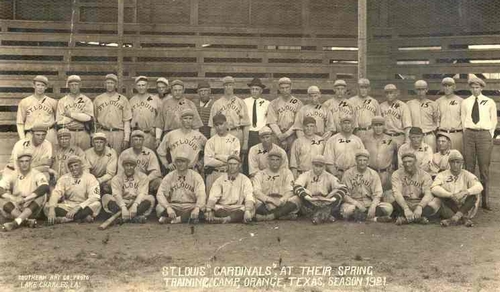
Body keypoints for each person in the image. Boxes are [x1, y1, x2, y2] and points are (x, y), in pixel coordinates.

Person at [461, 77, 497, 210]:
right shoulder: (465, 102)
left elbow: (493, 120)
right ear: (470, 88)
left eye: (477, 87)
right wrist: (467, 133)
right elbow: (463, 119)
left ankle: (485, 202)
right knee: (469, 167)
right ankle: (469, 201)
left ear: (481, 88)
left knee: (484, 168)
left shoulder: (489, 102)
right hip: (469, 134)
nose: (475, 90)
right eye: (473, 87)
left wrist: (489, 134)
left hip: (484, 134)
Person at [431, 150, 483, 227]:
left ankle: (454, 218)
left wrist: (465, 192)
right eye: (453, 162)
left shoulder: (466, 174)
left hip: (465, 204)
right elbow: (434, 188)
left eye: (458, 162)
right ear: (449, 163)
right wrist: (450, 195)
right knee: (440, 195)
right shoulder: (442, 174)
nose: (455, 165)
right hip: (450, 204)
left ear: (462, 163)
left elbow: (479, 186)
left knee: (474, 195)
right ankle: (463, 218)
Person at [0, 150, 49, 231]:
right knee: (1, 199)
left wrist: (26, 199)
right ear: (18, 163)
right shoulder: (13, 174)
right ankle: (26, 221)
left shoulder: (36, 173)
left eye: (27, 161)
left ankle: (15, 223)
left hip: (31, 206)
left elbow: (44, 187)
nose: (24, 164)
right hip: (16, 206)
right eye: (21, 161)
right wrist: (14, 198)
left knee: (42, 196)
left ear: (31, 162)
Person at [45, 156, 102, 224]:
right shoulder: (64, 178)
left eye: (76, 165)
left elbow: (95, 197)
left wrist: (78, 207)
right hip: (68, 205)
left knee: (97, 204)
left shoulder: (90, 177)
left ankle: (68, 219)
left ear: (81, 166)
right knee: (47, 206)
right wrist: (51, 209)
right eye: (71, 166)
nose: (73, 168)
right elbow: (56, 193)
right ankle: (81, 217)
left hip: (84, 205)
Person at [340, 149, 393, 222]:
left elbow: (378, 194)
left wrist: (373, 207)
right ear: (356, 161)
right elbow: (344, 194)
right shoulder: (348, 174)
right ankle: (374, 219)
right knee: (347, 211)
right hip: (353, 203)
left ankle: (361, 217)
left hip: (369, 202)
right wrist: (357, 204)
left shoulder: (373, 174)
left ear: (368, 162)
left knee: (388, 208)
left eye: (364, 160)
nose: (362, 163)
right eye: (360, 160)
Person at [293, 155, 347, 224]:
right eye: (316, 166)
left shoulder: (329, 176)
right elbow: (296, 186)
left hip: (325, 201)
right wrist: (307, 196)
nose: (318, 169)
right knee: (297, 197)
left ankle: (317, 216)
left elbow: (343, 188)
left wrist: (333, 198)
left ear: (324, 167)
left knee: (339, 197)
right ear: (312, 165)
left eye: (320, 166)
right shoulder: (306, 174)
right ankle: (325, 216)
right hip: (310, 201)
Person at [101, 155, 155, 224]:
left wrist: (135, 205)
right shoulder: (117, 178)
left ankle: (121, 218)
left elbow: (142, 194)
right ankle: (134, 218)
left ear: (135, 166)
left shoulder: (142, 177)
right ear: (123, 166)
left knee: (150, 198)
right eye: (127, 165)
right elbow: (116, 195)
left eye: (131, 165)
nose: (129, 168)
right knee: (106, 197)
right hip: (122, 202)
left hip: (136, 202)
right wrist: (123, 207)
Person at [391, 152, 441, 225]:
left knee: (437, 201)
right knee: (389, 196)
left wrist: (420, 207)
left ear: (415, 162)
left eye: (410, 161)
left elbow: (428, 194)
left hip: (419, 202)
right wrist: (405, 208)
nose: (407, 164)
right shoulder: (396, 174)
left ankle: (405, 219)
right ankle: (419, 218)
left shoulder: (425, 175)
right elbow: (397, 193)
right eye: (405, 162)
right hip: (404, 202)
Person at [156, 155, 206, 224]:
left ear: (188, 163)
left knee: (203, 208)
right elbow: (160, 194)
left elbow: (201, 194)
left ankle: (175, 219)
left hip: (190, 206)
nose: (180, 164)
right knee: (159, 208)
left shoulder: (196, 176)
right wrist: (168, 208)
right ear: (175, 163)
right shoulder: (169, 176)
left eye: (183, 161)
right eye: (178, 161)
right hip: (174, 205)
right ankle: (187, 218)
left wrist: (197, 207)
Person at [253, 149, 300, 221]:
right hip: (266, 202)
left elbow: (290, 191)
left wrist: (281, 201)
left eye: (277, 160)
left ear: (281, 161)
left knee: (297, 198)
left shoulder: (287, 173)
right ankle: (281, 216)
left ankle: (271, 216)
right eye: (272, 160)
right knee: (254, 200)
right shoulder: (260, 174)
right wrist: (270, 200)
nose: (275, 162)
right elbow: (256, 191)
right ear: (268, 161)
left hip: (282, 202)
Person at [206, 155, 254, 224]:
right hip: (223, 207)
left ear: (239, 165)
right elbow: (213, 196)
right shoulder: (220, 180)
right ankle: (233, 219)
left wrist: (247, 210)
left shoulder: (245, 179)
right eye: (230, 164)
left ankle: (224, 219)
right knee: (213, 207)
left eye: (235, 164)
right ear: (227, 165)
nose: (232, 166)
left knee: (250, 209)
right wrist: (209, 210)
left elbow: (249, 196)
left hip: (237, 207)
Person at [208, 76, 250, 154]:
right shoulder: (217, 104)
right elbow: (213, 126)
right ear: (223, 87)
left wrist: (245, 142)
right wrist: (212, 141)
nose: (228, 87)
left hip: (236, 132)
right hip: (221, 134)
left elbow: (246, 124)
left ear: (233, 86)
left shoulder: (240, 102)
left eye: (230, 85)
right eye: (226, 85)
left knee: (236, 160)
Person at [157, 108, 207, 173]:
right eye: (185, 118)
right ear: (181, 120)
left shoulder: (199, 136)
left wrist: (201, 162)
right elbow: (160, 151)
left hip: (192, 170)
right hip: (175, 170)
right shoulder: (171, 135)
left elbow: (209, 151)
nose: (188, 121)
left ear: (193, 120)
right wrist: (166, 164)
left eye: (190, 118)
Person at [155, 80, 203, 147]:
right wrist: (157, 138)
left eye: (180, 90)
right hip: (169, 136)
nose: (177, 92)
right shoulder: (165, 104)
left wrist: (196, 139)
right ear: (171, 91)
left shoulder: (190, 104)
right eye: (175, 90)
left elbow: (196, 125)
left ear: (183, 90)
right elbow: (159, 124)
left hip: (186, 136)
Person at [93, 73, 132, 154]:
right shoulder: (98, 99)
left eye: (112, 83)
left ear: (116, 84)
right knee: (102, 157)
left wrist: (126, 138)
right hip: (103, 132)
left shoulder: (123, 99)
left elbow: (126, 121)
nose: (110, 85)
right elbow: (94, 120)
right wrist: (94, 135)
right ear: (105, 84)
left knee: (117, 157)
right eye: (108, 83)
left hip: (118, 133)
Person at [16, 75, 58, 146]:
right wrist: (22, 139)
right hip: (31, 133)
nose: (40, 87)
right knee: (31, 156)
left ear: (46, 87)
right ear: (34, 86)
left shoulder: (53, 102)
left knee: (50, 156)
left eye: (42, 85)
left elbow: (59, 120)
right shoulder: (24, 102)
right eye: (38, 85)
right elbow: (20, 122)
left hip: (48, 133)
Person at [204, 113, 240, 193]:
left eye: (221, 124)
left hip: (228, 174)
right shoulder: (210, 141)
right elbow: (208, 161)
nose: (219, 127)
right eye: (216, 125)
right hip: (213, 174)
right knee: (211, 202)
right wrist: (225, 162)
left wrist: (217, 156)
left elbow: (234, 159)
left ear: (226, 124)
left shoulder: (234, 140)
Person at [56, 75, 94, 150]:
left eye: (76, 84)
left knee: (84, 155)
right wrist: (80, 117)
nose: (74, 87)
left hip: (83, 132)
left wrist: (70, 115)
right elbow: (59, 121)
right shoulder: (62, 101)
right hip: (68, 133)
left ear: (80, 85)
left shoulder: (86, 100)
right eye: (71, 85)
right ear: (68, 86)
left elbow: (88, 118)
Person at [118, 130, 162, 194]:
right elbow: (120, 173)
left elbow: (156, 172)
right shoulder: (125, 154)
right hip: (128, 183)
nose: (138, 142)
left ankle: (153, 199)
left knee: (159, 182)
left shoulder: (149, 153)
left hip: (145, 182)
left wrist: (145, 179)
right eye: (135, 139)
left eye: (140, 140)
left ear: (143, 141)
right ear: (131, 141)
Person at [266, 77, 303, 152]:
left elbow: (298, 122)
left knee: (291, 157)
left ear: (291, 87)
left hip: (292, 134)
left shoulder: (297, 103)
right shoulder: (274, 103)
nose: (285, 90)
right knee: (276, 157)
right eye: (282, 88)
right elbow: (272, 122)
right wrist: (280, 135)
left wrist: (286, 135)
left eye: (287, 87)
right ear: (279, 89)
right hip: (277, 135)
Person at [363, 116, 397, 192]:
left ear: (384, 126)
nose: (378, 128)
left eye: (380, 125)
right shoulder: (366, 140)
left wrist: (391, 171)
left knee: (386, 198)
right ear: (372, 126)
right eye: (376, 125)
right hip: (370, 173)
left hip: (386, 174)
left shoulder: (391, 140)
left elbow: (395, 157)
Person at [129, 76, 161, 150]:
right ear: (136, 87)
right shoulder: (132, 100)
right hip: (135, 133)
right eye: (139, 85)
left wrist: (155, 129)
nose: (141, 87)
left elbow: (160, 117)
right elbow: (128, 118)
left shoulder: (155, 99)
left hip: (149, 134)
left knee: (148, 156)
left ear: (147, 86)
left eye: (143, 85)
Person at [406, 80, 439, 151]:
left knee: (430, 157)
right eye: (418, 89)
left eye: (423, 89)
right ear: (415, 90)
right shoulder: (409, 104)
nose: (420, 92)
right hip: (415, 136)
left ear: (426, 90)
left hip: (428, 135)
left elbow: (436, 121)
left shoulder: (433, 104)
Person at [380, 84, 412, 150]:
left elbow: (407, 126)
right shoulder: (381, 106)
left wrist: (407, 141)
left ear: (396, 93)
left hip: (399, 136)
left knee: (400, 158)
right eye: (387, 93)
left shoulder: (403, 106)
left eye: (391, 92)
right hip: (386, 136)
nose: (389, 95)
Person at [436, 77, 463, 153]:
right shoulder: (438, 101)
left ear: (454, 87)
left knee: (456, 159)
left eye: (449, 85)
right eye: (445, 86)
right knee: (442, 159)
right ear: (442, 87)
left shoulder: (460, 101)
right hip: (442, 133)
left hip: (456, 134)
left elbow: (464, 118)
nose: (447, 88)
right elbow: (436, 119)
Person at [244, 77, 270, 150]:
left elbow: (270, 119)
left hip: (261, 133)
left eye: (256, 89)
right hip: (248, 133)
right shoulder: (244, 102)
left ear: (261, 91)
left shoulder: (266, 103)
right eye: (252, 89)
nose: (254, 91)